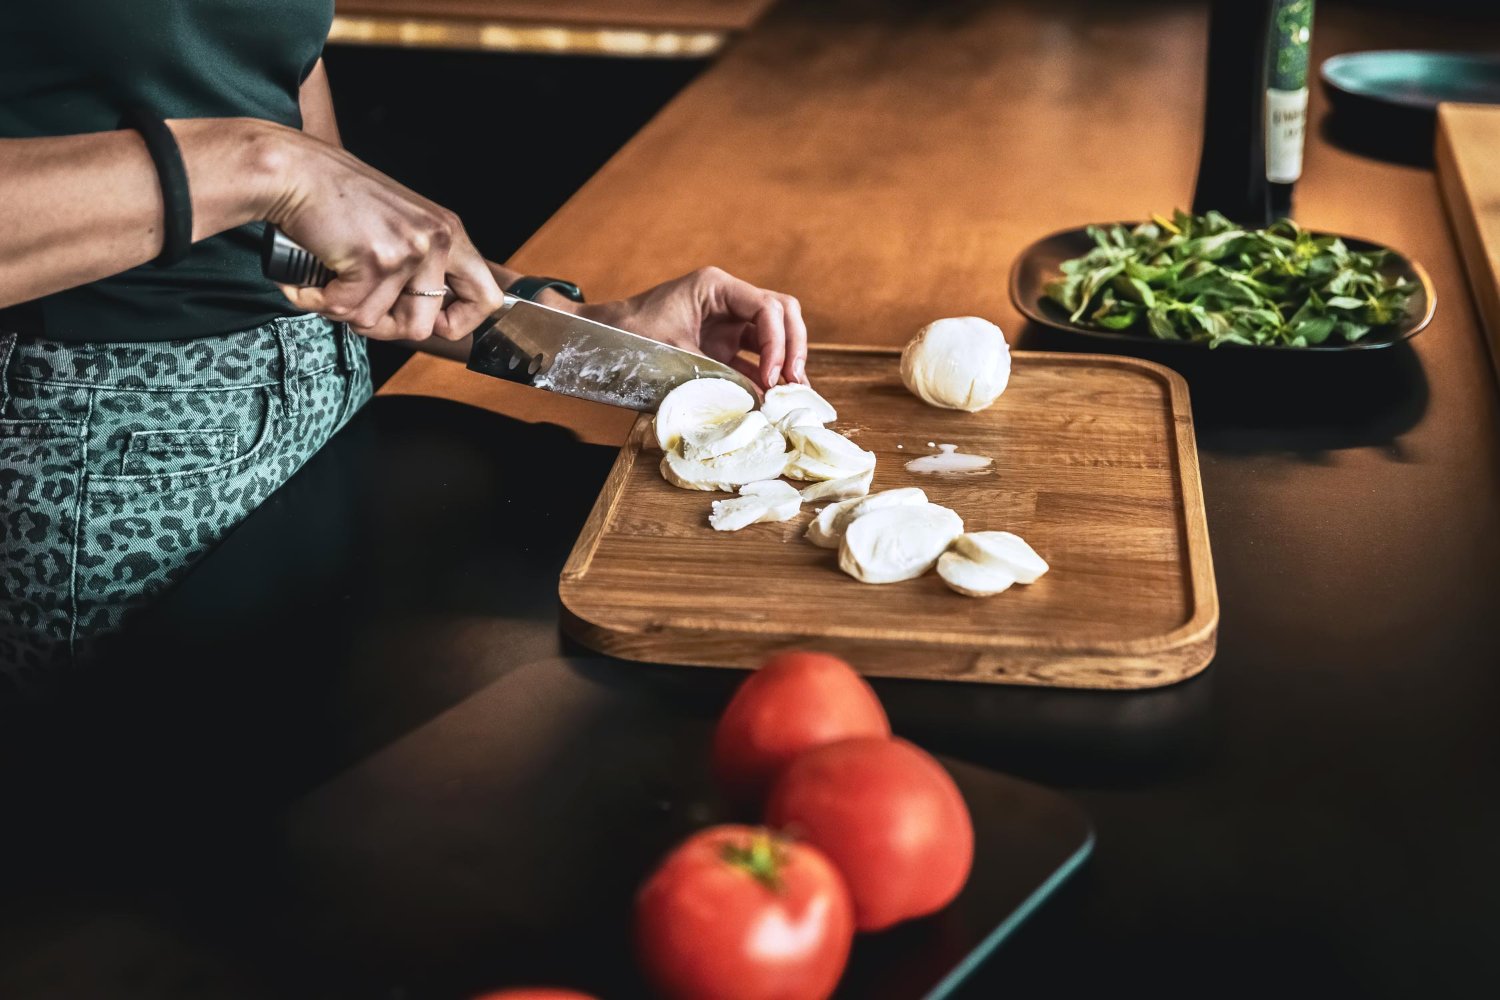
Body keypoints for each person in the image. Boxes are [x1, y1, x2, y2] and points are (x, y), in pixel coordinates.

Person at [0, 2, 809, 691]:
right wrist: (261, 165)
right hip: (107, 470)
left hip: (328, 414)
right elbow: (281, 172)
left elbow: (321, 226)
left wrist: (572, 326)